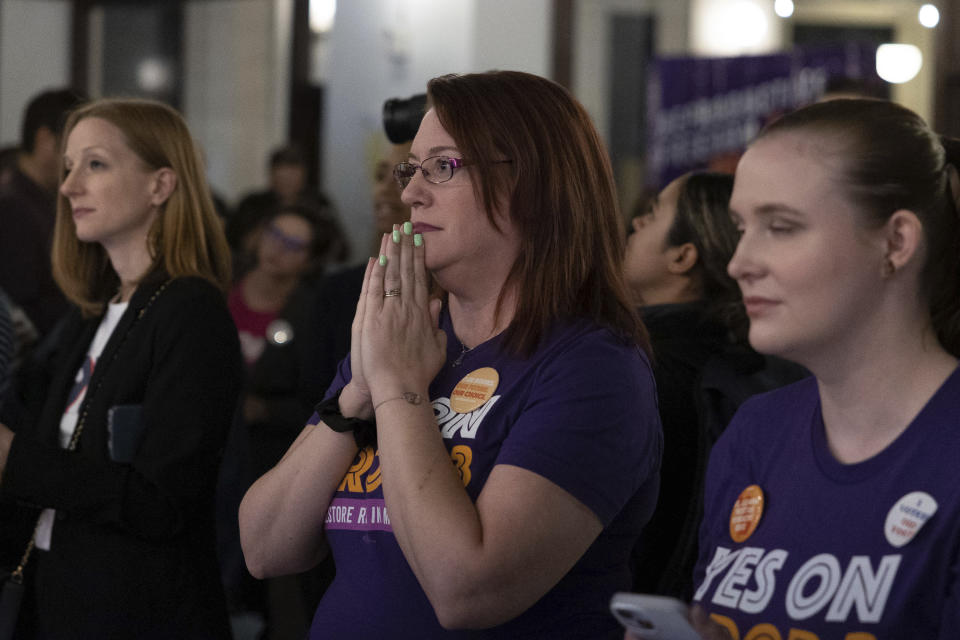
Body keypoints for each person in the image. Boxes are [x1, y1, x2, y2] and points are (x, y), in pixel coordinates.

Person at [239, 70, 662, 638]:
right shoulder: (406, 338)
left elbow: (466, 590)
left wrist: (398, 392)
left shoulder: (593, 367)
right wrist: (359, 391)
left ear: (534, 184)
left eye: (443, 166)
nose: (409, 192)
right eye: (411, 168)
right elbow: (265, 548)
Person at [686, 99, 960, 638]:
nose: (740, 262)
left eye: (781, 227)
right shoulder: (755, 432)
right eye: (741, 227)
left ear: (896, 241)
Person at [0, 97, 242, 639]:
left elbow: (163, 501)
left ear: (160, 185)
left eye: (95, 164)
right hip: (57, 601)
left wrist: (13, 458)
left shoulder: (190, 312)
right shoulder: (90, 315)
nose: (68, 187)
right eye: (67, 167)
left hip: (139, 615)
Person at [0, 88, 86, 340]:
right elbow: (28, 307)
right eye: (76, 149)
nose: (77, 164)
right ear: (46, 140)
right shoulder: (13, 208)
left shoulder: (41, 200)